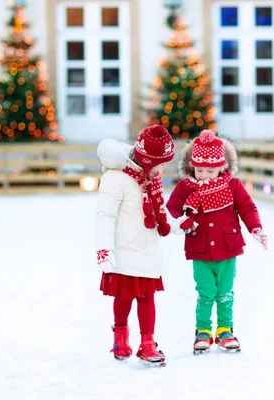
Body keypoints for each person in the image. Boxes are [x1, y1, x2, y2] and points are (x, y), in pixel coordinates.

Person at [166, 129, 268, 353]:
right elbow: (171, 209)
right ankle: (202, 331)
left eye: (210, 170)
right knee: (205, 292)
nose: (203, 175)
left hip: (227, 248)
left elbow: (247, 207)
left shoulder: (232, 186)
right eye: (199, 169)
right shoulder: (186, 187)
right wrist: (181, 221)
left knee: (225, 292)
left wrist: (255, 228)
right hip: (199, 249)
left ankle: (225, 330)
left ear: (222, 167)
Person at [95, 125, 175, 366]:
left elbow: (162, 215)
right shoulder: (115, 178)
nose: (163, 169)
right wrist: (103, 248)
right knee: (123, 297)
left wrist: (183, 225)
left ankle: (148, 343)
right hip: (124, 250)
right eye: (160, 164)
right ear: (149, 161)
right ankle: (120, 334)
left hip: (148, 248)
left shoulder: (151, 180)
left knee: (147, 297)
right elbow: (104, 215)